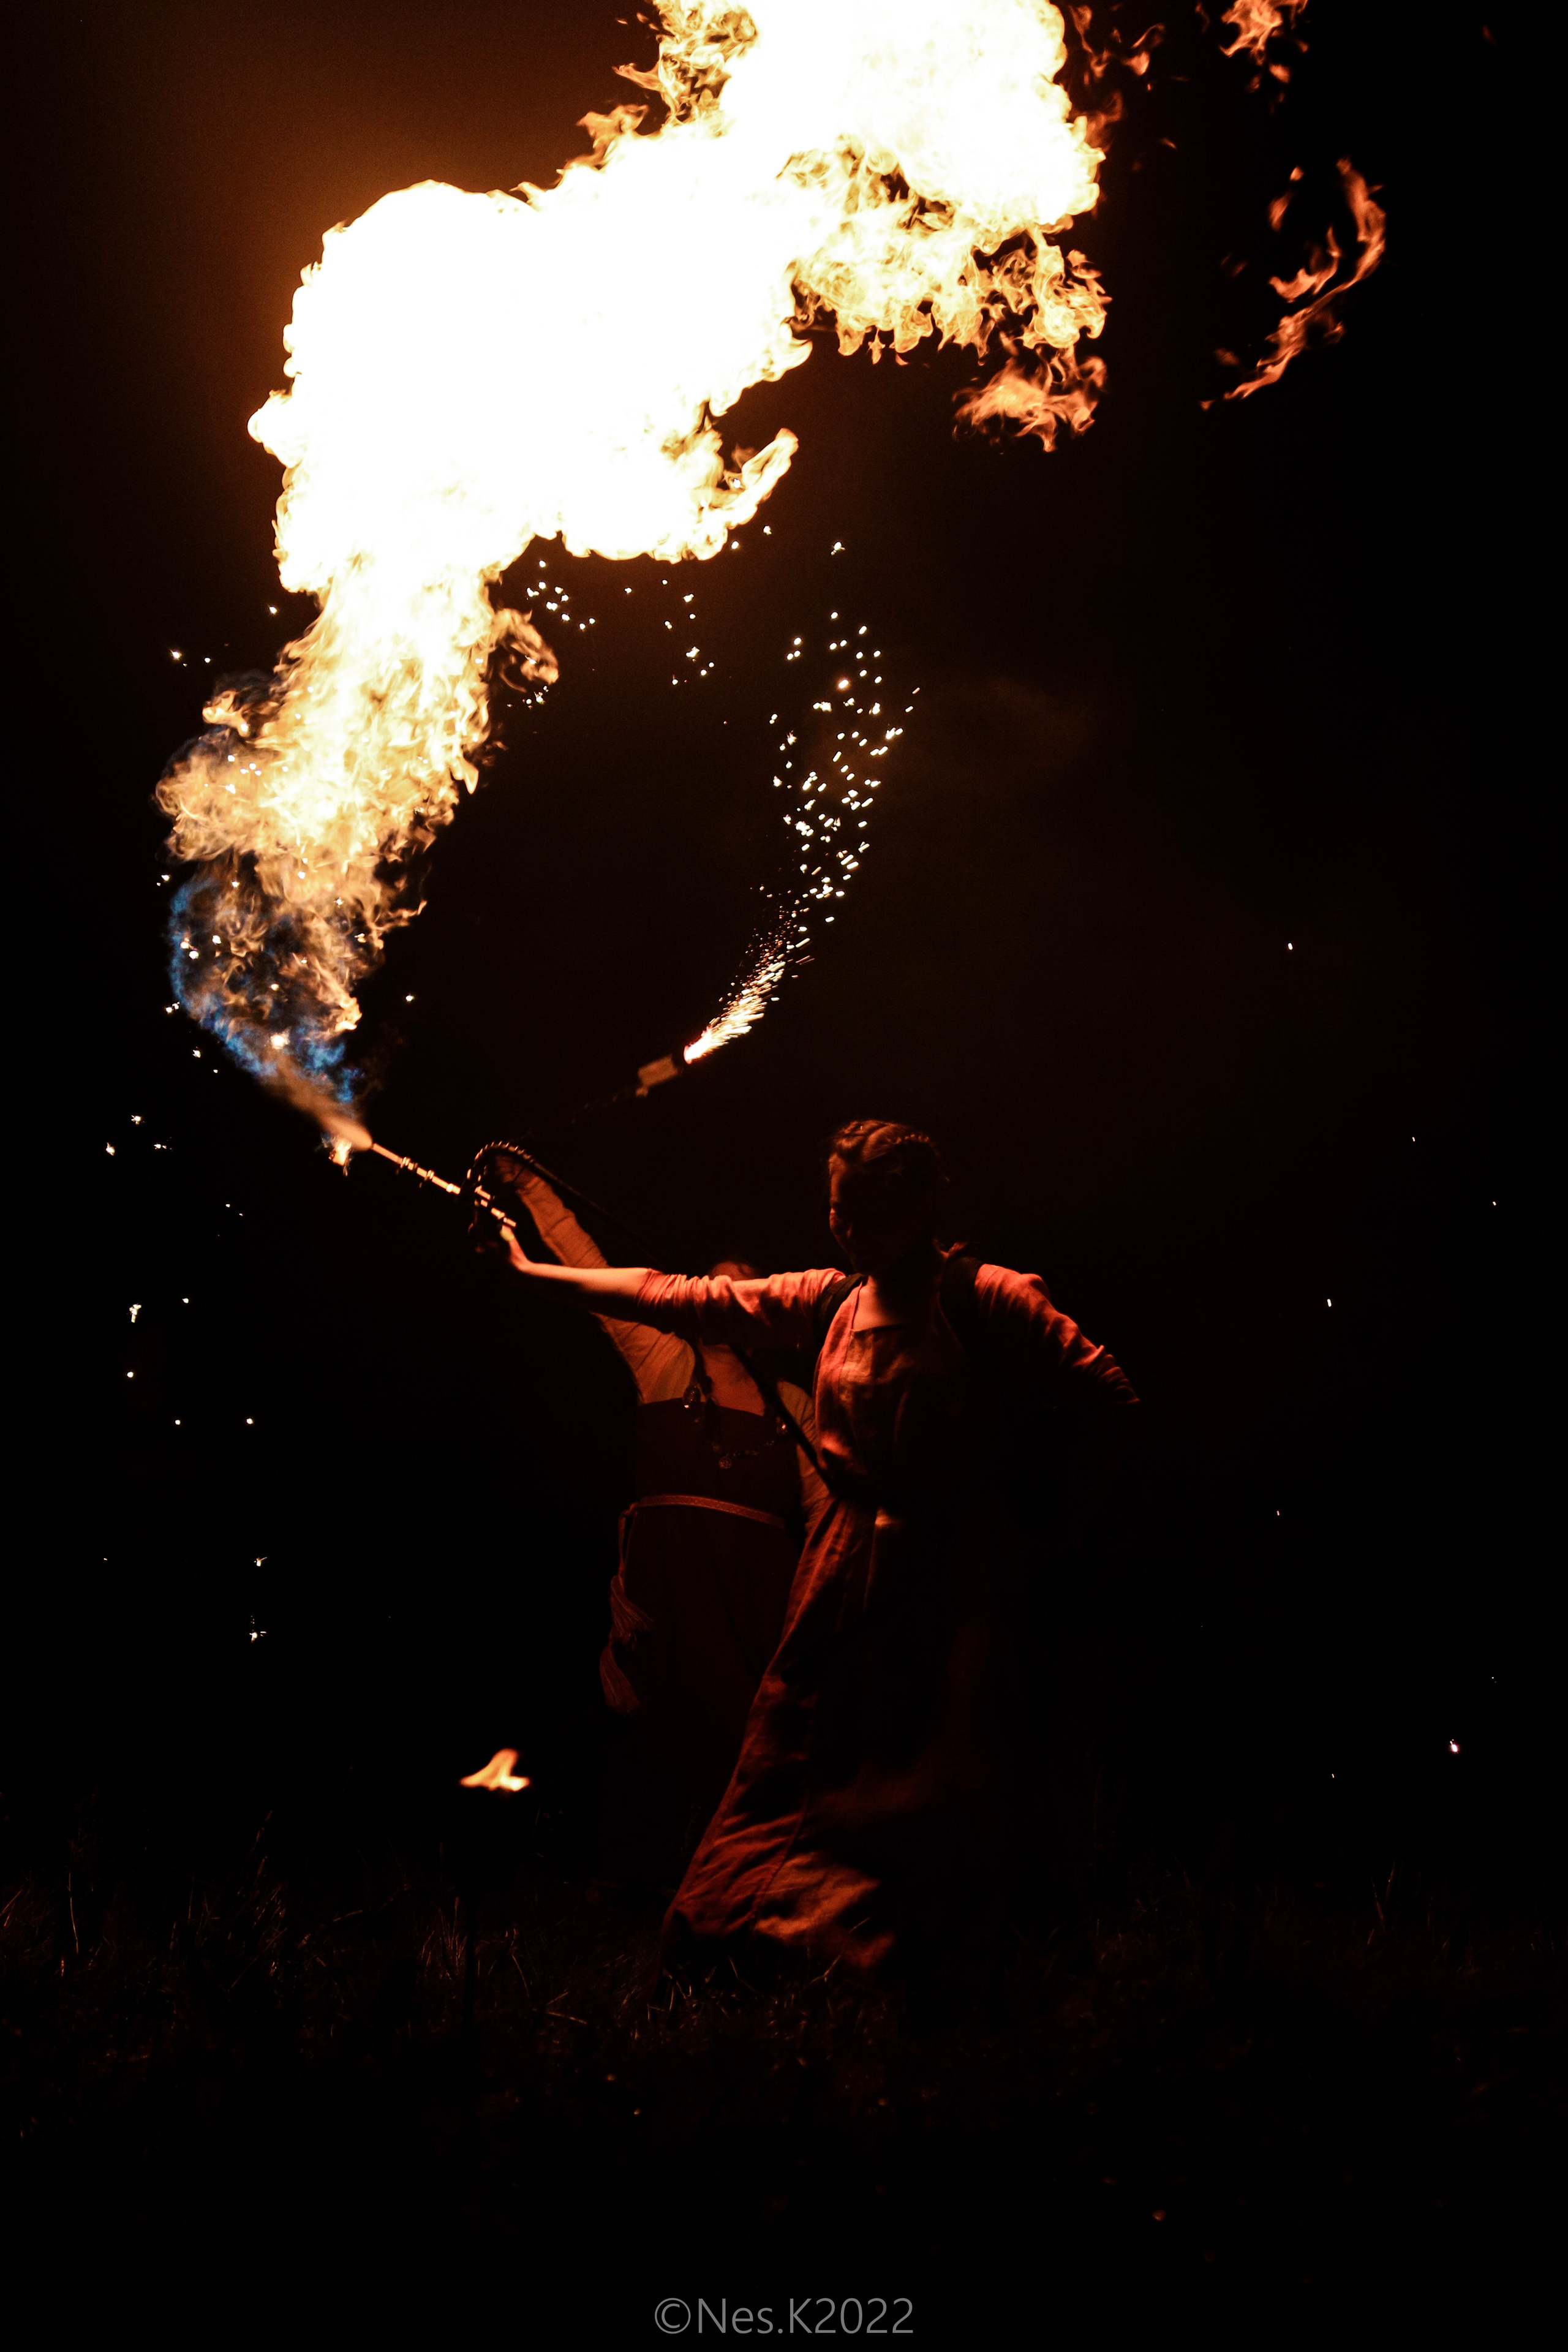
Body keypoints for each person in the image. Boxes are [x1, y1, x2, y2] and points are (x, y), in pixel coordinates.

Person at [496, 1123, 1137, 1973]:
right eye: (837, 1209)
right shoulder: (830, 1298)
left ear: (922, 1201)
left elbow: (1111, 1404)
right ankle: (760, 1936)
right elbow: (676, 1296)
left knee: (939, 1777)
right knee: (796, 1771)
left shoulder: (989, 1297)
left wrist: (1052, 1530)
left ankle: (939, 1957)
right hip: (840, 1585)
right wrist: (529, 1274)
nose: (849, 1228)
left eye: (868, 1209)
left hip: (950, 1589)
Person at [501, 1165, 830, 1885]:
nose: (724, 1298)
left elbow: (826, 1526)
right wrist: (530, 1187)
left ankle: (739, 1896)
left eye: (742, 1287)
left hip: (750, 1603)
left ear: (765, 1310)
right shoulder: (659, 1360)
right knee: (649, 1742)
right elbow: (586, 1263)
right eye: (712, 1284)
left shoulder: (799, 1411)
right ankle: (628, 1905)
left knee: (741, 1749)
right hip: (666, 1591)